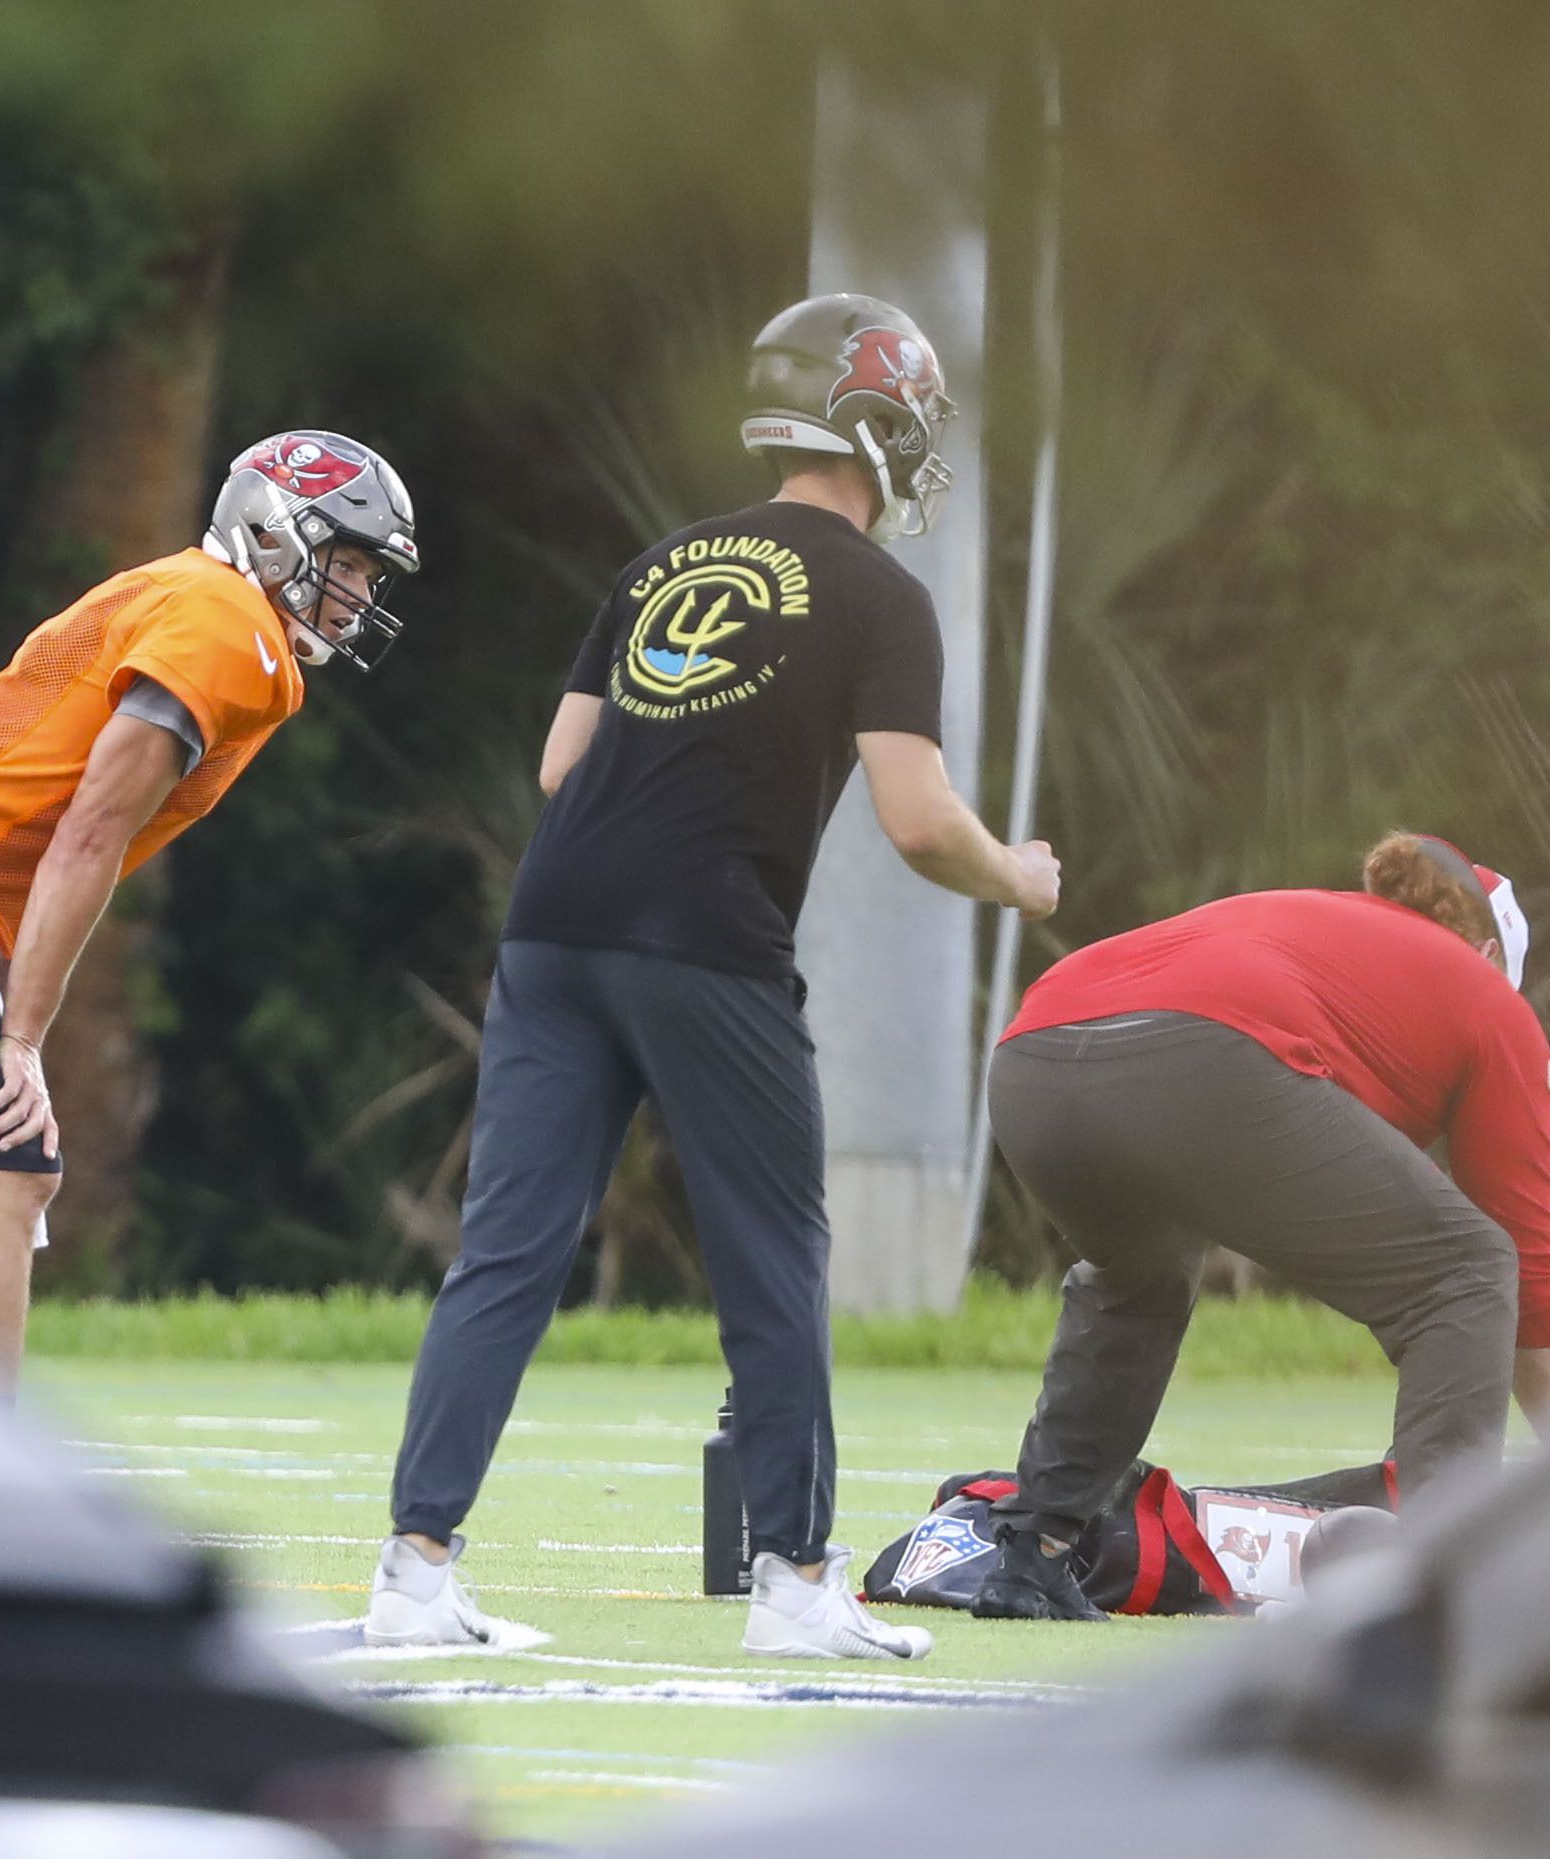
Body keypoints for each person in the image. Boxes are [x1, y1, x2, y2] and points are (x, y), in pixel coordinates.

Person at [367, 295, 1060, 1659]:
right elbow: (919, 821)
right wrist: (1016, 877)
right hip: (702, 939)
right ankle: (796, 1583)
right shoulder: (877, 594)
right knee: (772, 1253)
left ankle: (412, 1567)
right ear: (876, 425)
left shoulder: (661, 559)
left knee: (504, 1253)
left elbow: (561, 768)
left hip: (553, 925)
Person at [0, 431, 420, 1385]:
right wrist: (22, 1036)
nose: (358, 595)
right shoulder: (231, 624)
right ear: (275, 530)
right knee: (12, 1162)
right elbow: (90, 830)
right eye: (348, 562)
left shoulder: (190, 592)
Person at [969, 832, 1550, 1623]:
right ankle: (1446, 1589)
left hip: (1033, 1059)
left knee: (1139, 1276)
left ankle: (1031, 1556)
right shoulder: (1489, 996)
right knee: (1467, 1270)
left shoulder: (1322, 927)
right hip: (1203, 1059)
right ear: (1490, 952)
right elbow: (1526, 1262)